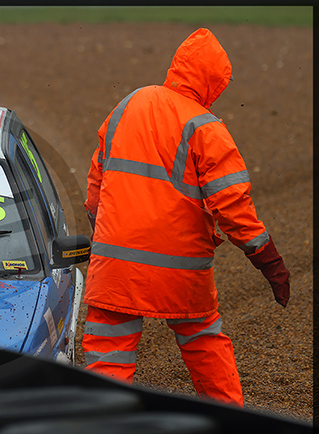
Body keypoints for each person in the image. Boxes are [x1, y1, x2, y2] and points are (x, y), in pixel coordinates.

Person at [81, 28, 290, 408]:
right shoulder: (206, 127)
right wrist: (269, 261)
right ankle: (232, 428)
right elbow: (233, 206)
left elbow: (96, 187)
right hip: (180, 269)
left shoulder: (130, 104)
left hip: (115, 266)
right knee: (203, 341)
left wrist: (107, 235)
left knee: (108, 351)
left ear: (178, 66)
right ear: (214, 81)